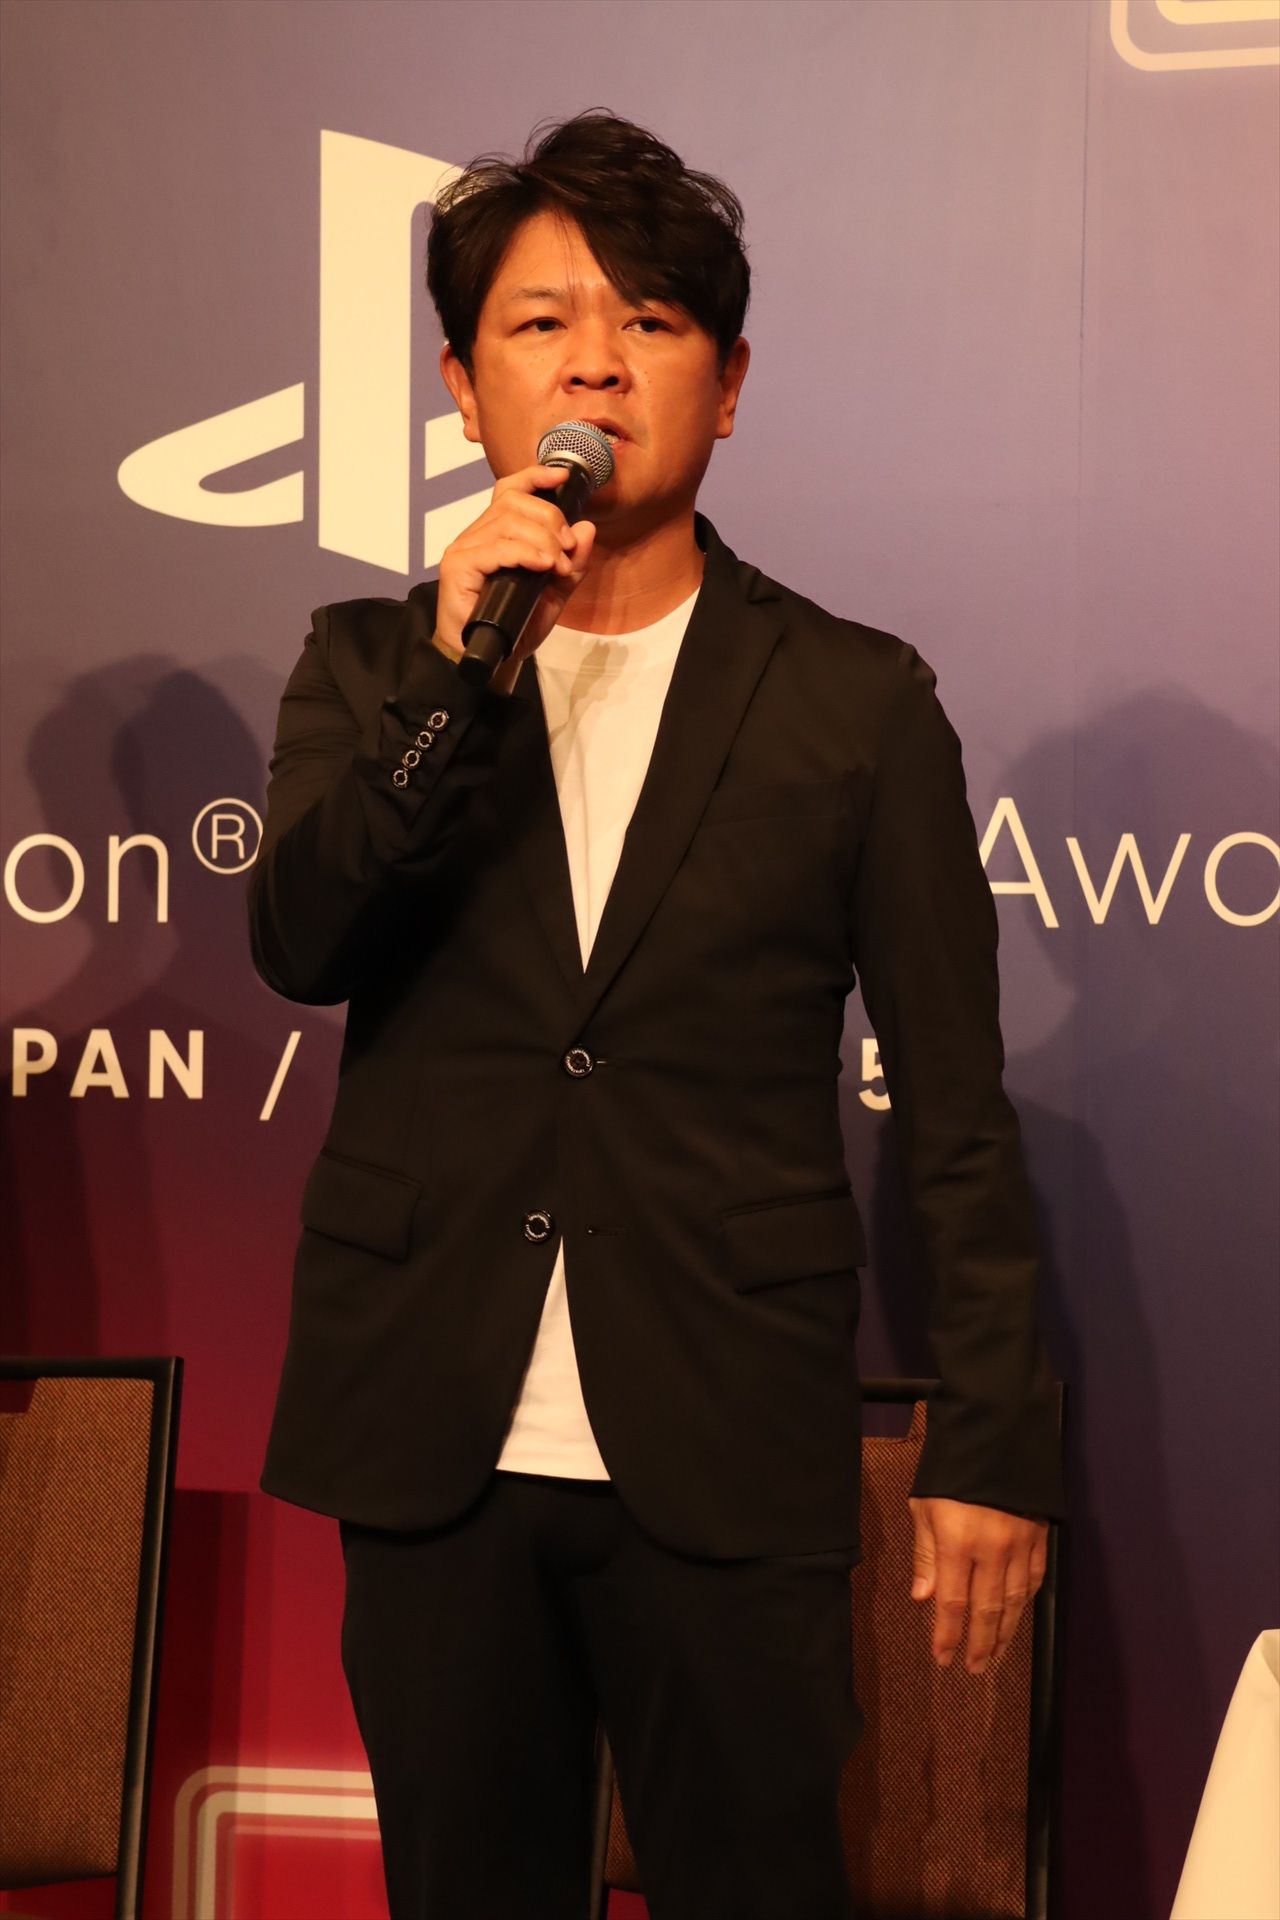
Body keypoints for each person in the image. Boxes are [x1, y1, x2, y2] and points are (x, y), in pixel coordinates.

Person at [248, 109, 1066, 1920]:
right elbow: (302, 942)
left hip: (726, 1432)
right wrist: (454, 680)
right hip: (435, 1428)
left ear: (730, 381)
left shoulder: (855, 701)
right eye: (543, 323)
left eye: (652, 321)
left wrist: (996, 1438)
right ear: (465, 386)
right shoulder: (373, 669)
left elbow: (954, 1101)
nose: (598, 364)